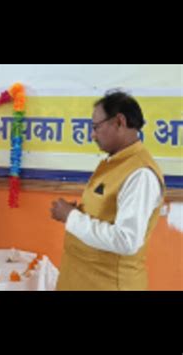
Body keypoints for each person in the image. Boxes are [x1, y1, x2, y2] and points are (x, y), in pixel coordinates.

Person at [50, 90, 164, 290]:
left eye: (96, 127)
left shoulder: (140, 174)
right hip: (82, 280)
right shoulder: (115, 163)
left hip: (109, 284)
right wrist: (77, 213)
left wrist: (71, 218)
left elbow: (126, 240)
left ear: (119, 122)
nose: (92, 135)